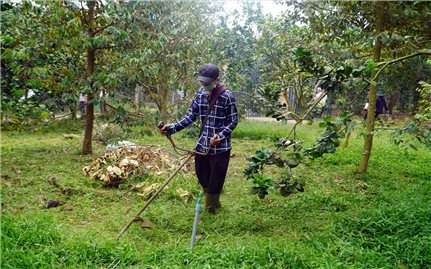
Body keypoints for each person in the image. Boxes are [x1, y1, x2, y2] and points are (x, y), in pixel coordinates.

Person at [159, 63, 239, 214]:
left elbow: (233, 120)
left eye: (207, 82)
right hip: (203, 144)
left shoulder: (227, 96)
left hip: (220, 147)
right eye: (201, 82)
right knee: (201, 173)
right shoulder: (199, 94)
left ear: (216, 80)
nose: (204, 85)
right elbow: (190, 116)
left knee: (216, 178)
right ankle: (212, 199)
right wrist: (171, 128)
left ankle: (211, 207)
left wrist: (220, 136)